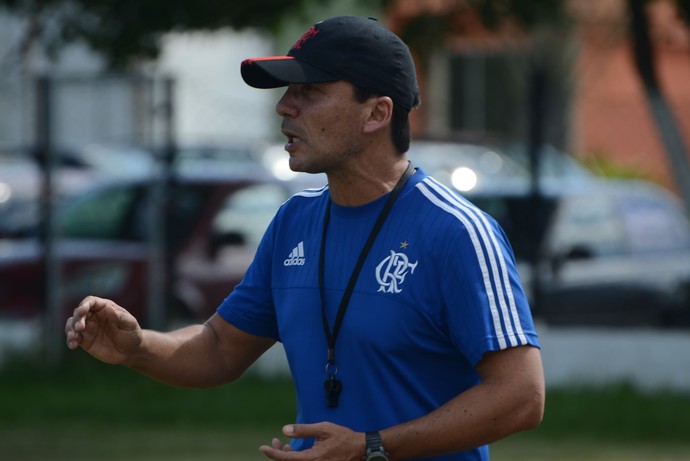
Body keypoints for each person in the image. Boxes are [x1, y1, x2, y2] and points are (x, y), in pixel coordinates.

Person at [65, 16, 544, 461]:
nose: (284, 106)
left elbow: (521, 397)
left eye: (310, 91)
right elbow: (218, 348)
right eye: (288, 90)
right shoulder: (295, 221)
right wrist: (138, 347)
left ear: (377, 113)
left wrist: (371, 447)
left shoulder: (456, 232)